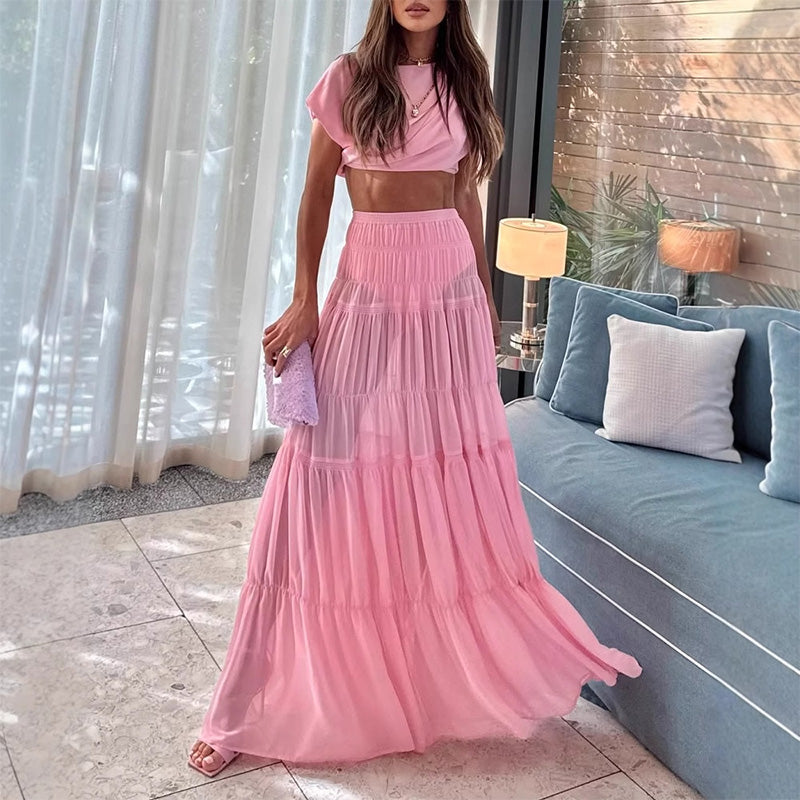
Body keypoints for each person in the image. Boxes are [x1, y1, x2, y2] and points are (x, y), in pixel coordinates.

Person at [188, 0, 642, 778]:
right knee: (323, 473)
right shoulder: (349, 78)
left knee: (437, 475)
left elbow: (464, 195)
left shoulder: (466, 78)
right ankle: (245, 704)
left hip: (447, 293)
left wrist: (483, 300)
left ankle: (423, 685)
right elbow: (316, 194)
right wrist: (304, 299)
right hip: (368, 280)